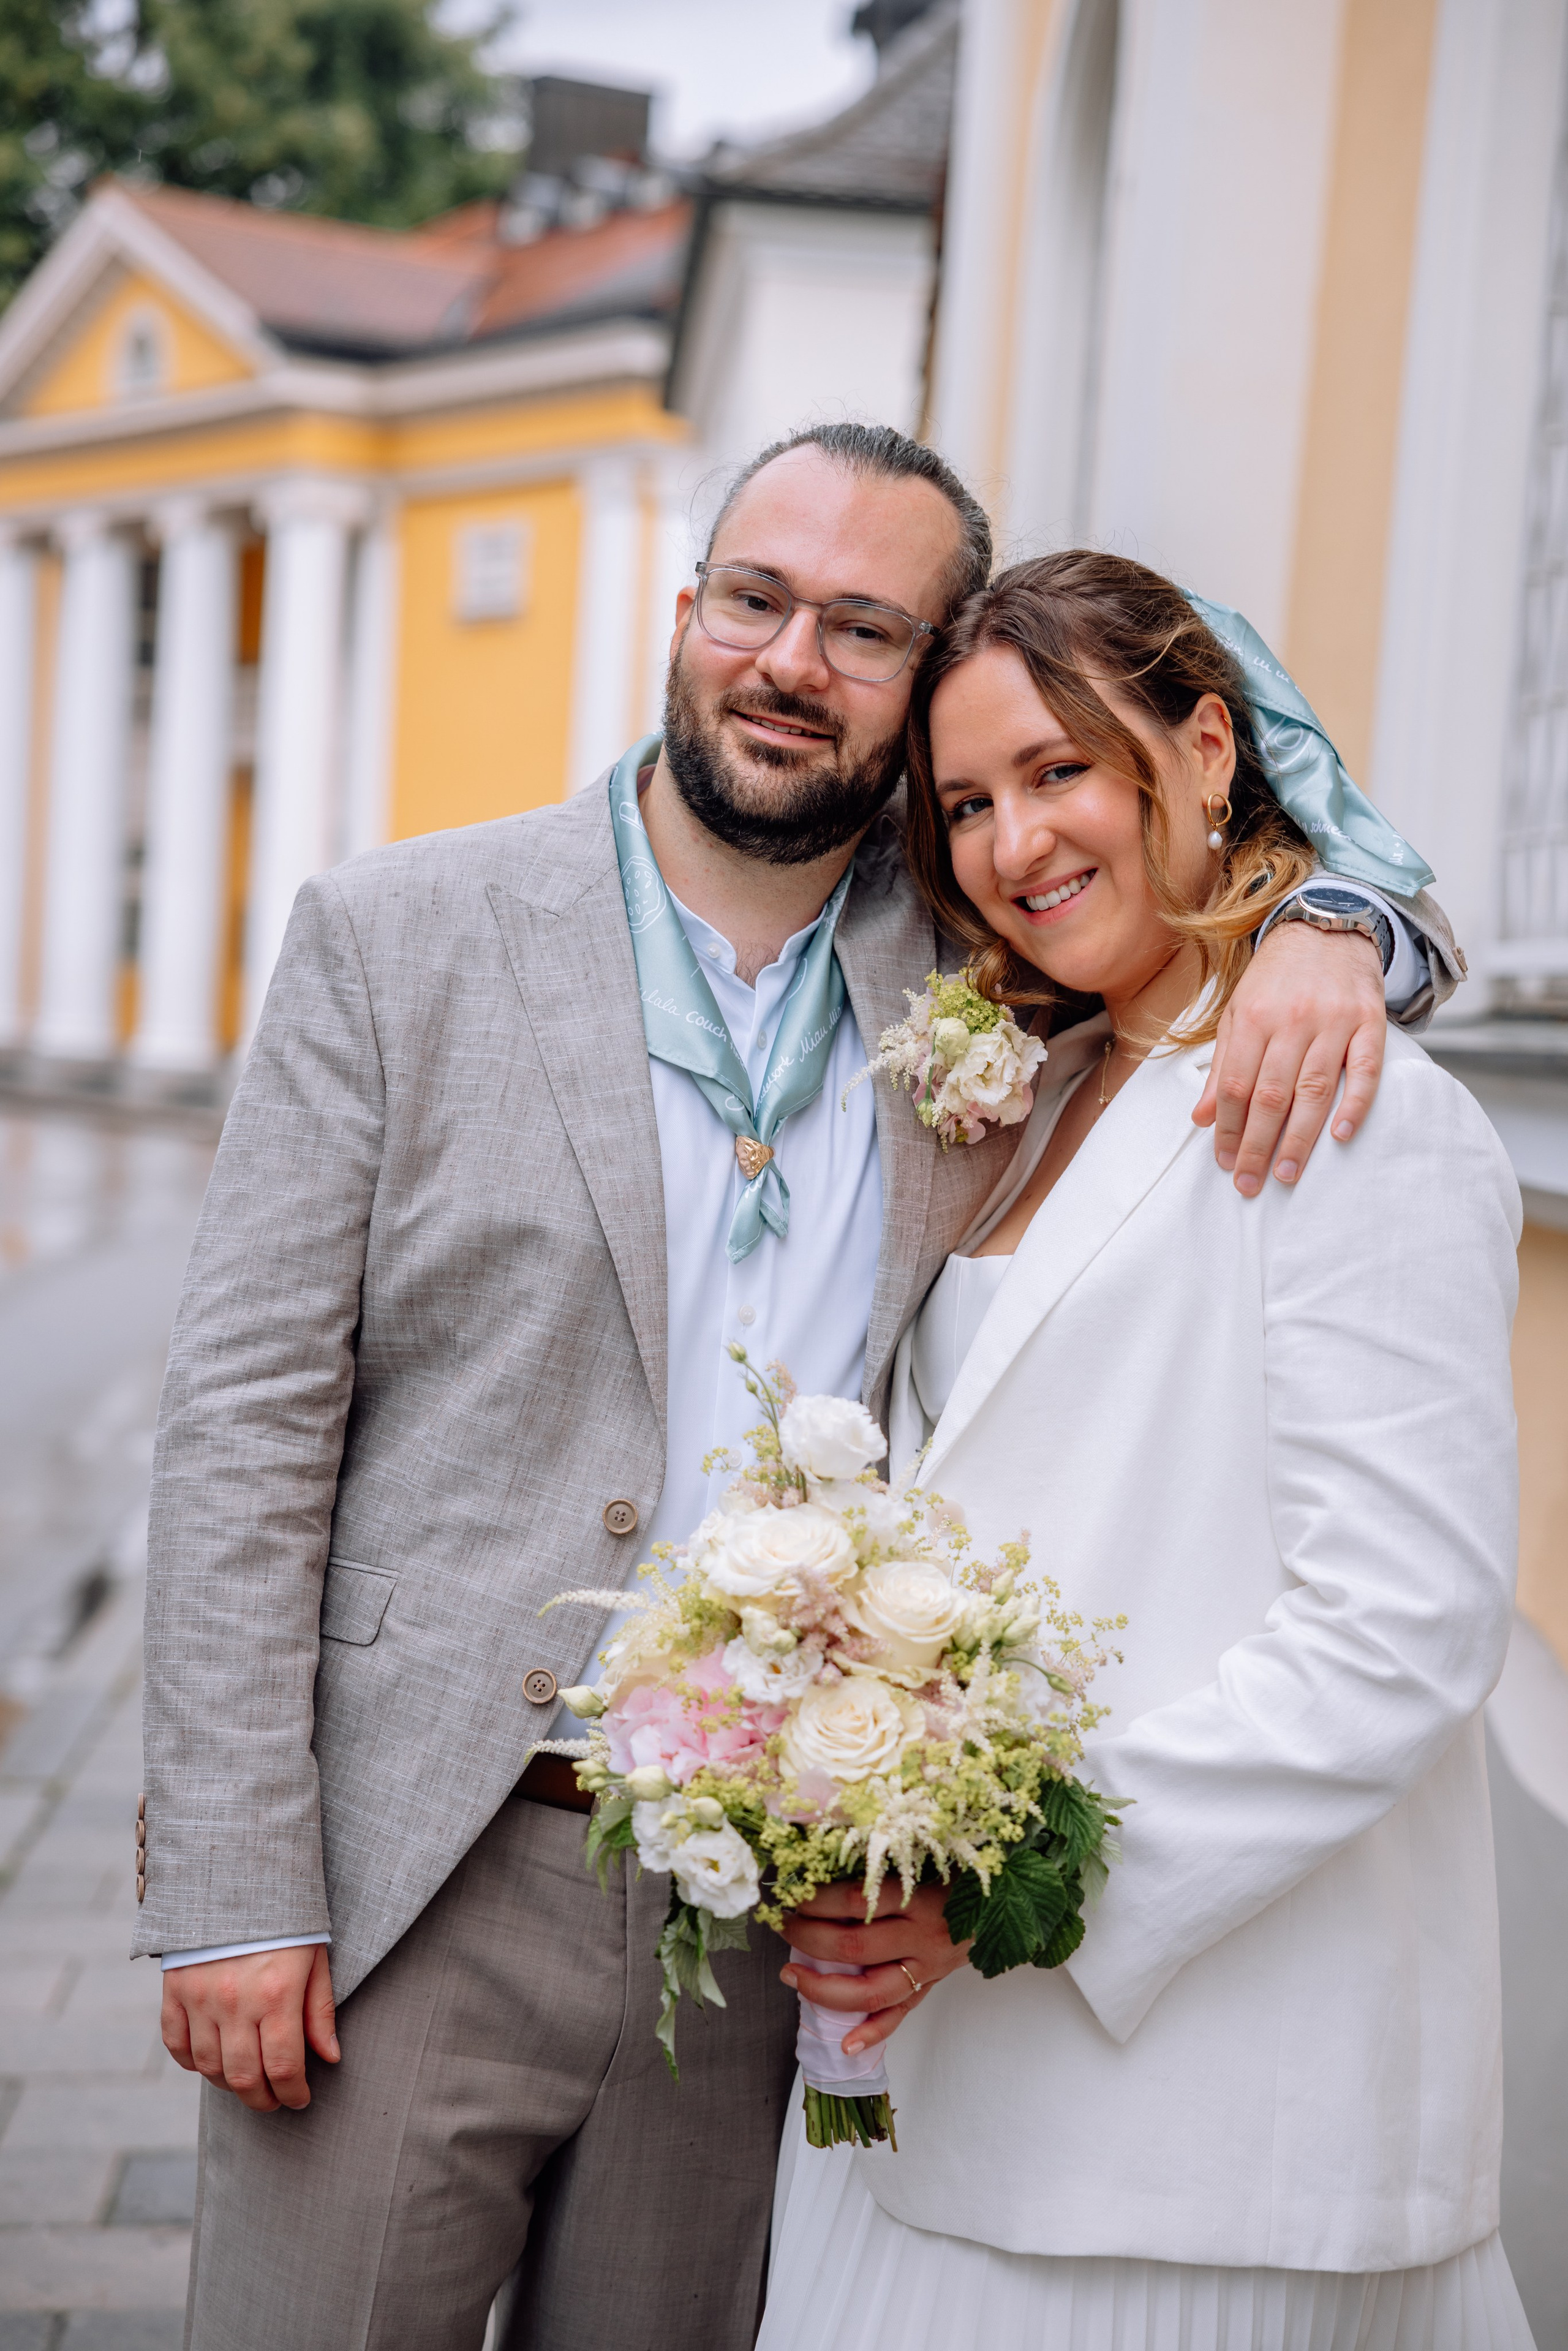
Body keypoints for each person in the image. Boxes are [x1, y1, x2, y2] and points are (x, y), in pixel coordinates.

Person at [135, 428, 1453, 2351]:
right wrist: (237, 1890)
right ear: (687, 613)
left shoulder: (998, 967)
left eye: (863, 627)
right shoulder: (399, 937)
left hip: (774, 1919)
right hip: (410, 1866)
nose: (787, 660)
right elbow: (244, 1427)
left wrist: (1354, 924)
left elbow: (1192, 755)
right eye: (754, 598)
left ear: (926, 687)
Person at [762, 551, 1528, 2351]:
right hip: (929, 2107)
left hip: (1201, 2123)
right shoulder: (1022, 1087)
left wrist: (1006, 1882)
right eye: (963, 803)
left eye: (1058, 772)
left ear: (1202, 750)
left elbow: (1398, 1630)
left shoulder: (1347, 1108)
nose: (1013, 845)